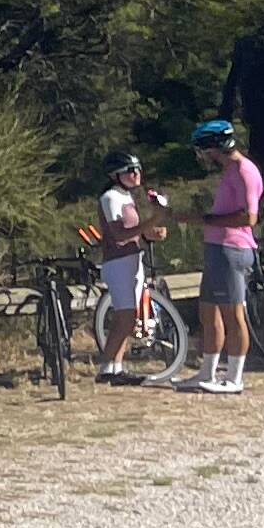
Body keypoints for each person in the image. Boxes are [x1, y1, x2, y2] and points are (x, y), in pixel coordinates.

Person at [189, 116, 263, 395]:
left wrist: (208, 220)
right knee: (208, 311)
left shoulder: (244, 170)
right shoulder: (229, 171)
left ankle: (234, 378)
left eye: (204, 149)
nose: (203, 156)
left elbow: (248, 216)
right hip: (217, 248)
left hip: (233, 249)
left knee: (234, 314)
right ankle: (206, 372)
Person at [91, 151, 175, 380]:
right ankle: (106, 367)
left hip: (132, 260)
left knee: (127, 318)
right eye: (130, 170)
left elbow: (134, 232)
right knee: (125, 317)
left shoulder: (127, 198)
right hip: (118, 262)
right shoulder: (110, 198)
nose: (136, 174)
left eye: (138, 169)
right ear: (115, 175)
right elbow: (119, 233)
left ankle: (115, 368)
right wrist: (151, 221)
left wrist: (151, 233)